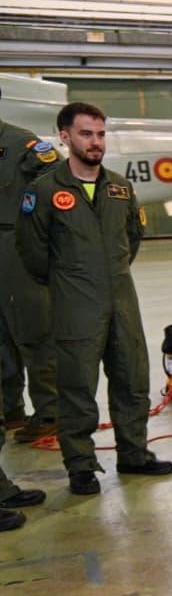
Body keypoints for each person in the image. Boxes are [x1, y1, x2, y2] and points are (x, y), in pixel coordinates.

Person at [16, 102, 172, 495]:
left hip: (122, 299)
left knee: (132, 380)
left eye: (101, 134)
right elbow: (32, 253)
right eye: (86, 134)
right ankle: (81, 466)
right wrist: (72, 280)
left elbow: (132, 239)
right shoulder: (45, 190)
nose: (96, 142)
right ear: (65, 137)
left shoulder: (120, 187)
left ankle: (134, 454)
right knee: (77, 388)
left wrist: (111, 275)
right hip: (74, 303)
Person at [0, 103, 58, 442]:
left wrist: (31, 229)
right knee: (1, 337)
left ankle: (51, 412)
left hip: (15, 245)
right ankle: (11, 410)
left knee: (34, 331)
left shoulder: (25, 145)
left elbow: (54, 183)